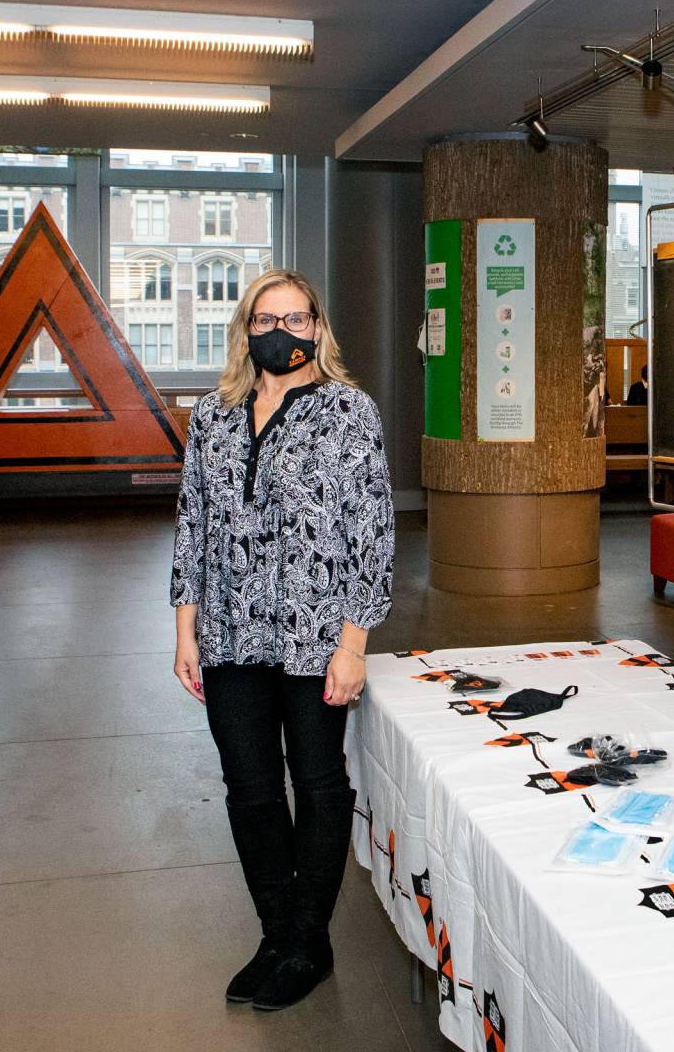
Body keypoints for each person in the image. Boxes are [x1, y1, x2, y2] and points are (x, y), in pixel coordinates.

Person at [172, 268, 395, 1011]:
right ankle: (275, 933)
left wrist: (354, 642)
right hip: (230, 636)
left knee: (320, 782)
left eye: (297, 320)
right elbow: (192, 525)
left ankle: (310, 939)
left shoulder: (348, 411)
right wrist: (186, 630)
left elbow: (373, 532)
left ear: (318, 330)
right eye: (267, 318)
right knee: (252, 789)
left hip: (315, 635)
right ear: (245, 328)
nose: (282, 332)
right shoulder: (211, 414)